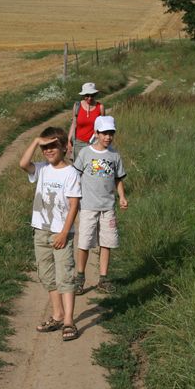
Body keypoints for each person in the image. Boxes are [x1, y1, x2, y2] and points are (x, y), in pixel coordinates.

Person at [19, 126, 82, 341]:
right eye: (45, 147)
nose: (48, 150)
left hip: (60, 233)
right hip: (41, 231)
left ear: (65, 147)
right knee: (47, 275)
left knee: (65, 276)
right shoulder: (42, 169)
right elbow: (23, 164)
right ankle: (57, 315)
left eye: (53, 145)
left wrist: (64, 233)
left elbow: (74, 205)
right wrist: (37, 141)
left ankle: (69, 321)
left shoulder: (71, 173)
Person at [73, 115, 128, 294]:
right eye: (104, 133)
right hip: (88, 206)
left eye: (111, 133)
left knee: (107, 242)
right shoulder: (85, 153)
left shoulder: (114, 155)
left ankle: (103, 279)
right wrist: (73, 198)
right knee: (84, 242)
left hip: (108, 207)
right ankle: (79, 278)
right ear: (96, 133)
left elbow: (118, 179)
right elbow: (75, 176)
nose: (108, 137)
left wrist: (122, 197)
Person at [67, 82, 105, 161]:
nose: (90, 98)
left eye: (92, 95)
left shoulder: (100, 107)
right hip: (78, 144)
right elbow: (74, 124)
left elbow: (103, 127)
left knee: (94, 167)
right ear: (83, 95)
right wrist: (69, 141)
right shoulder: (77, 106)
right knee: (78, 167)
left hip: (95, 143)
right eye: (87, 95)